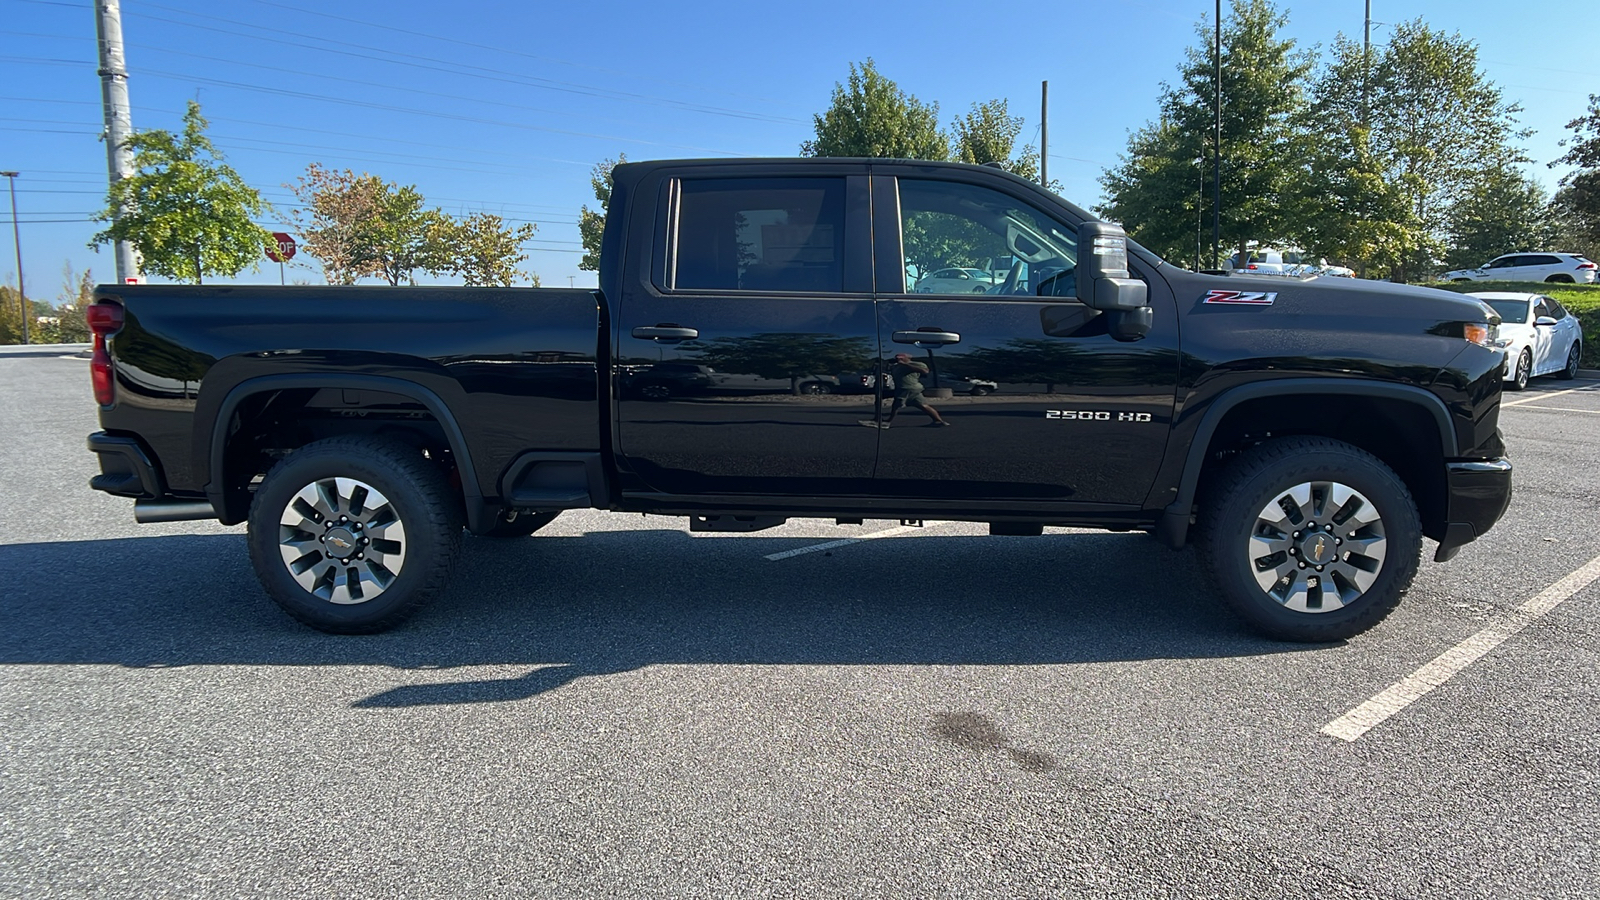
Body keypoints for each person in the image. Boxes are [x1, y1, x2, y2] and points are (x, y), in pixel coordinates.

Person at [876, 353, 948, 428]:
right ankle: (938, 420)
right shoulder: (896, 366)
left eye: (901, 358)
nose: (898, 359)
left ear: (908, 358)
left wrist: (905, 364)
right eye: (897, 358)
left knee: (896, 405)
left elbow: (925, 371)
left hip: (907, 388)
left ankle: (888, 422)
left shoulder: (916, 364)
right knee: (923, 405)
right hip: (905, 388)